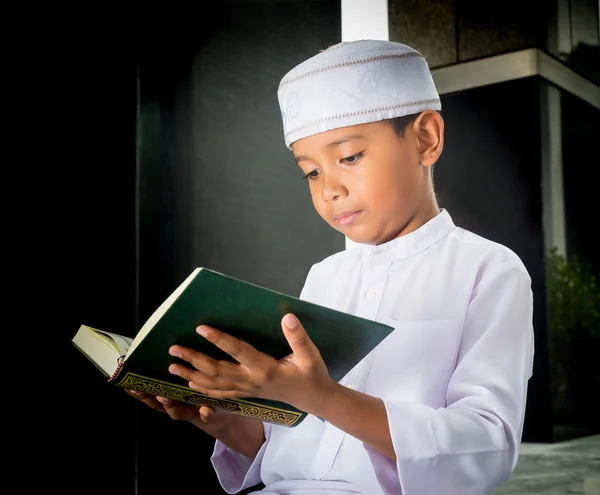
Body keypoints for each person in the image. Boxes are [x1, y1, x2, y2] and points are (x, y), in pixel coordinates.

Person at [128, 40, 535, 495]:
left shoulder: (489, 270)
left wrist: (319, 394)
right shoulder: (324, 275)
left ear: (426, 138)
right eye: (312, 172)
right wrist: (212, 413)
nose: (329, 190)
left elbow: (487, 445)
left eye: (349, 157)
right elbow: (292, 447)